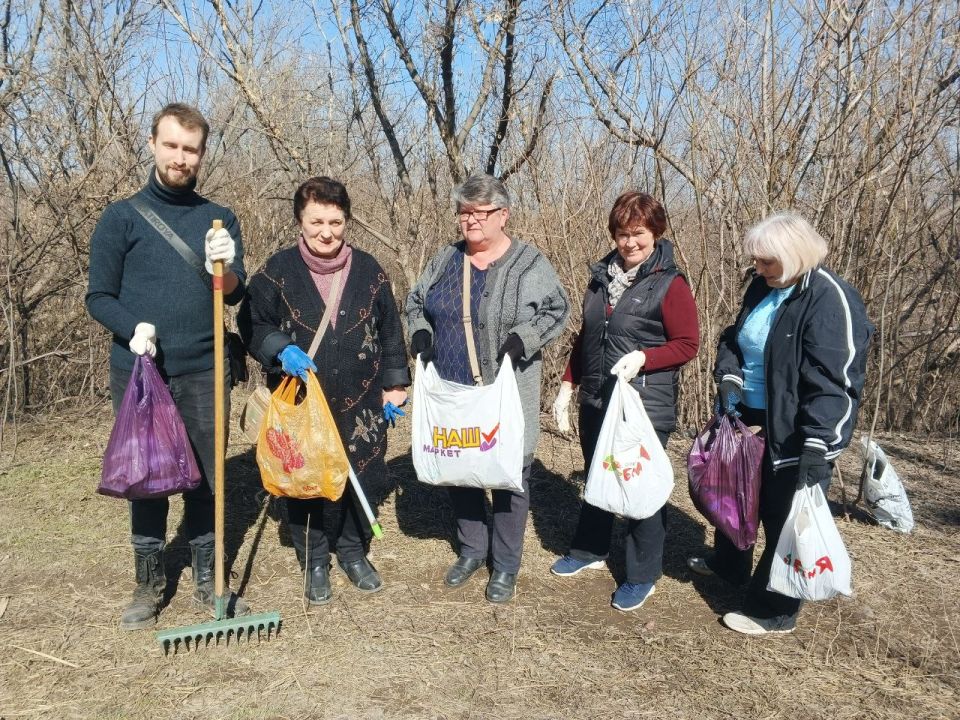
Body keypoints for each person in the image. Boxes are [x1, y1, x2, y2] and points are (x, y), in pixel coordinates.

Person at [86, 102, 248, 630]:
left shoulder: (218, 219)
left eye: (191, 149)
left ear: (202, 154)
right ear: (153, 144)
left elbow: (234, 293)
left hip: (206, 368)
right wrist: (132, 328)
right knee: (147, 477)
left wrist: (223, 266)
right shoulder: (121, 217)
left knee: (206, 476)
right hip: (140, 370)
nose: (181, 157)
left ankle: (207, 577)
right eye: (172, 145)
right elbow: (98, 296)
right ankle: (149, 581)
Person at [687, 212, 873, 635]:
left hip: (795, 426)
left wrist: (820, 442)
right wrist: (729, 377)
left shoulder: (830, 299)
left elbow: (836, 381)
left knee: (783, 516)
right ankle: (730, 564)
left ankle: (774, 611)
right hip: (746, 414)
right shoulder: (762, 286)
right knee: (735, 493)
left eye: (766, 261)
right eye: (756, 260)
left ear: (794, 255)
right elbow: (735, 338)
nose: (758, 268)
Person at [239, 176, 409, 605]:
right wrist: (279, 348)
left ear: (346, 220)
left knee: (360, 473)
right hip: (301, 401)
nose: (327, 232)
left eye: (335, 222)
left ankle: (352, 551)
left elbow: (390, 330)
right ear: (300, 220)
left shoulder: (369, 270)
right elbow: (251, 322)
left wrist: (394, 384)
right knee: (304, 478)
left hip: (362, 400)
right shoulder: (277, 271)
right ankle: (314, 559)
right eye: (316, 222)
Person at [406, 173, 570, 603]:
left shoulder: (530, 264)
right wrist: (420, 331)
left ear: (503, 215)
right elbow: (416, 302)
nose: (471, 220)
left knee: (510, 473)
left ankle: (506, 564)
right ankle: (472, 550)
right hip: (453, 389)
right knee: (461, 466)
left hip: (505, 392)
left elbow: (558, 309)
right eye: (464, 212)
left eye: (481, 212)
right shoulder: (446, 259)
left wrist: (524, 339)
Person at [549, 191, 700, 612]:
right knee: (599, 476)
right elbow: (587, 335)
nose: (629, 242)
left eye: (638, 233)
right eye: (622, 234)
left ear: (656, 233)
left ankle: (641, 574)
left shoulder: (670, 284)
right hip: (598, 398)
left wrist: (645, 358)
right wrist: (568, 385)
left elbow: (687, 344)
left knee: (638, 486)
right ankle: (589, 550)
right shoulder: (602, 278)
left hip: (643, 404)